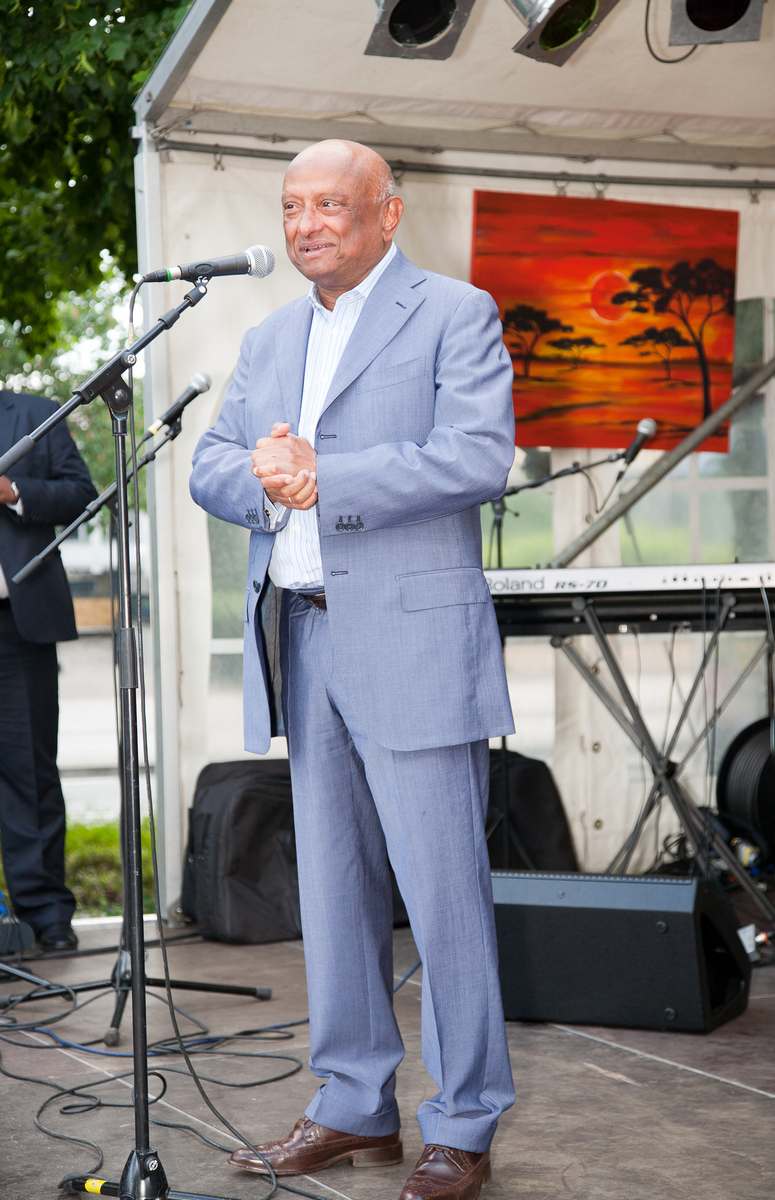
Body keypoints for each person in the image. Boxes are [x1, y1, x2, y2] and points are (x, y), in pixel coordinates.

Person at [190, 139, 516, 1200]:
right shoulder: (269, 336)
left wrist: (327, 475)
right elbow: (210, 463)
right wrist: (263, 476)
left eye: (330, 204)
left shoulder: (454, 312)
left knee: (443, 894)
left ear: (388, 213)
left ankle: (463, 1123)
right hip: (305, 636)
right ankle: (352, 1105)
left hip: (413, 640)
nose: (305, 225)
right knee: (331, 891)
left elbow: (478, 455)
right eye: (292, 207)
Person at [0, 389, 97, 950]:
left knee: (30, 773)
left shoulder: (37, 414)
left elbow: (81, 493)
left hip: (17, 626)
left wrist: (13, 491)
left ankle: (45, 915)